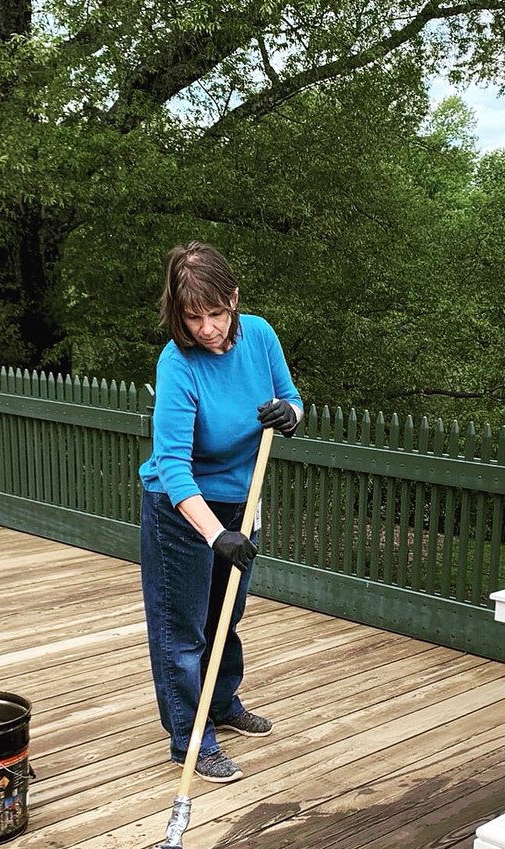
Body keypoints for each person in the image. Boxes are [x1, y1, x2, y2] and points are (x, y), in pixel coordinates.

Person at [138, 242, 303, 782]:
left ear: (233, 298)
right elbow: (174, 466)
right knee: (181, 630)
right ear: (177, 313)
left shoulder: (259, 334)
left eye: (215, 313)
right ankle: (191, 738)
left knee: (226, 616)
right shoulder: (177, 362)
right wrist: (215, 535)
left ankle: (223, 703)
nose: (207, 328)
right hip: (181, 509)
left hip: (241, 500)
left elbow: (291, 398)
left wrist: (291, 412)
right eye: (192, 317)